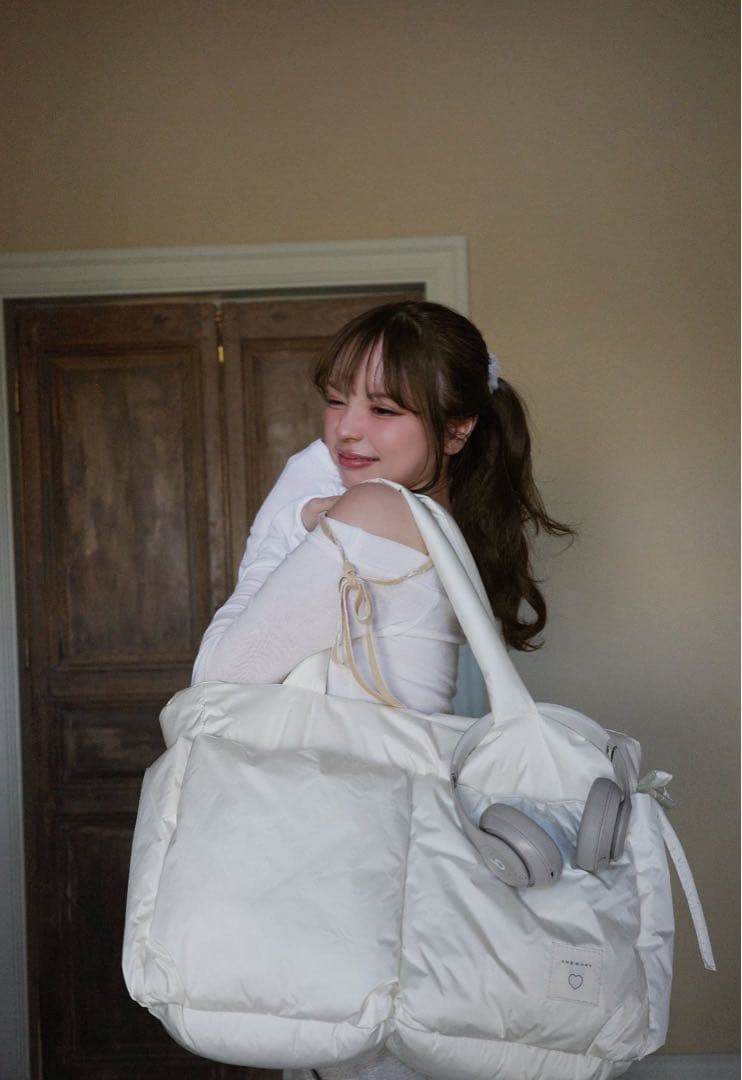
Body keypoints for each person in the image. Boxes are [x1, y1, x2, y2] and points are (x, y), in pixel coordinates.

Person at [192, 300, 572, 1080]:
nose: (345, 431)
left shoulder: (374, 511)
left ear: (457, 430)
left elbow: (219, 677)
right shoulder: (433, 518)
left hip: (360, 883)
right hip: (403, 885)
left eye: (384, 409)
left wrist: (293, 513)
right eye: (336, 401)